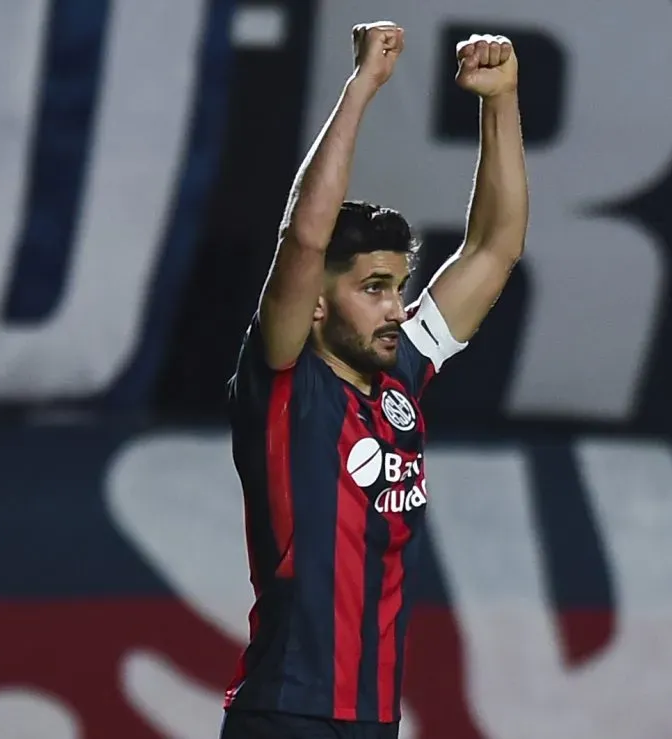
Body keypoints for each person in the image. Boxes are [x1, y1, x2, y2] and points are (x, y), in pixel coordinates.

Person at [220, 20, 528, 739]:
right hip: (285, 714)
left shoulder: (401, 377)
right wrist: (362, 89)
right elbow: (302, 236)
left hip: (372, 719)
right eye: (375, 288)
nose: (397, 307)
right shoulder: (284, 381)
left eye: (400, 287)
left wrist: (500, 101)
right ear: (318, 301)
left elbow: (493, 246)